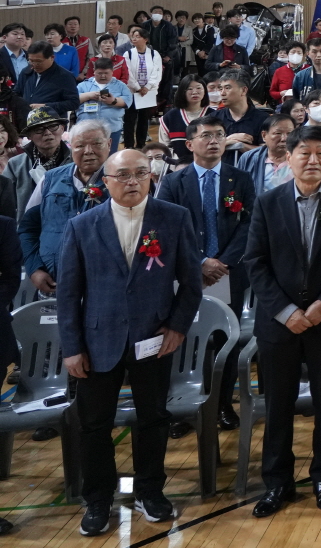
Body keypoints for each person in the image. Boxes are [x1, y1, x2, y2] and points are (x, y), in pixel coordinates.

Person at [58, 148, 201, 537]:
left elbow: (192, 283)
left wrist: (177, 327)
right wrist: (72, 347)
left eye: (141, 172)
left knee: (154, 418)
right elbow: (68, 295)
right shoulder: (82, 226)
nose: (133, 181)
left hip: (154, 339)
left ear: (151, 176)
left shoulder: (173, 218)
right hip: (96, 341)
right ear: (106, 182)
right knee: (93, 424)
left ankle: (150, 491)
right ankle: (98, 499)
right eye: (123, 175)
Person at [242, 126, 321, 517]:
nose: (313, 160)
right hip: (279, 323)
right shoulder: (268, 201)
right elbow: (256, 263)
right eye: (304, 153)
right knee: (277, 403)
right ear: (290, 156)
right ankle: (276, 483)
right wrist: (287, 312)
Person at [157, 114, 255, 430]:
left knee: (225, 338)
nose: (214, 141)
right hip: (187, 273)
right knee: (183, 338)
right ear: (189, 144)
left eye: (219, 134)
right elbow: (166, 229)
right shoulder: (173, 182)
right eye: (206, 135)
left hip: (229, 272)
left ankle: (223, 404)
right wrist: (200, 262)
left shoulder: (239, 179)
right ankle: (181, 407)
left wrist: (222, 262)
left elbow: (250, 225)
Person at [20, 118, 110, 297]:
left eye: (96, 144)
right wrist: (34, 268)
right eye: (80, 146)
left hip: (105, 289)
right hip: (54, 284)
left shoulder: (122, 181)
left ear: (109, 143)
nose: (88, 151)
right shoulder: (50, 179)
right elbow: (27, 228)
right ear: (70, 146)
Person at [15, 39, 79, 126]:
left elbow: (73, 103)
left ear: (52, 58)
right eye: (31, 61)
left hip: (52, 124)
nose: (34, 64)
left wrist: (46, 106)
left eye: (38, 61)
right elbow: (16, 94)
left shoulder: (65, 76)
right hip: (26, 121)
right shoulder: (26, 72)